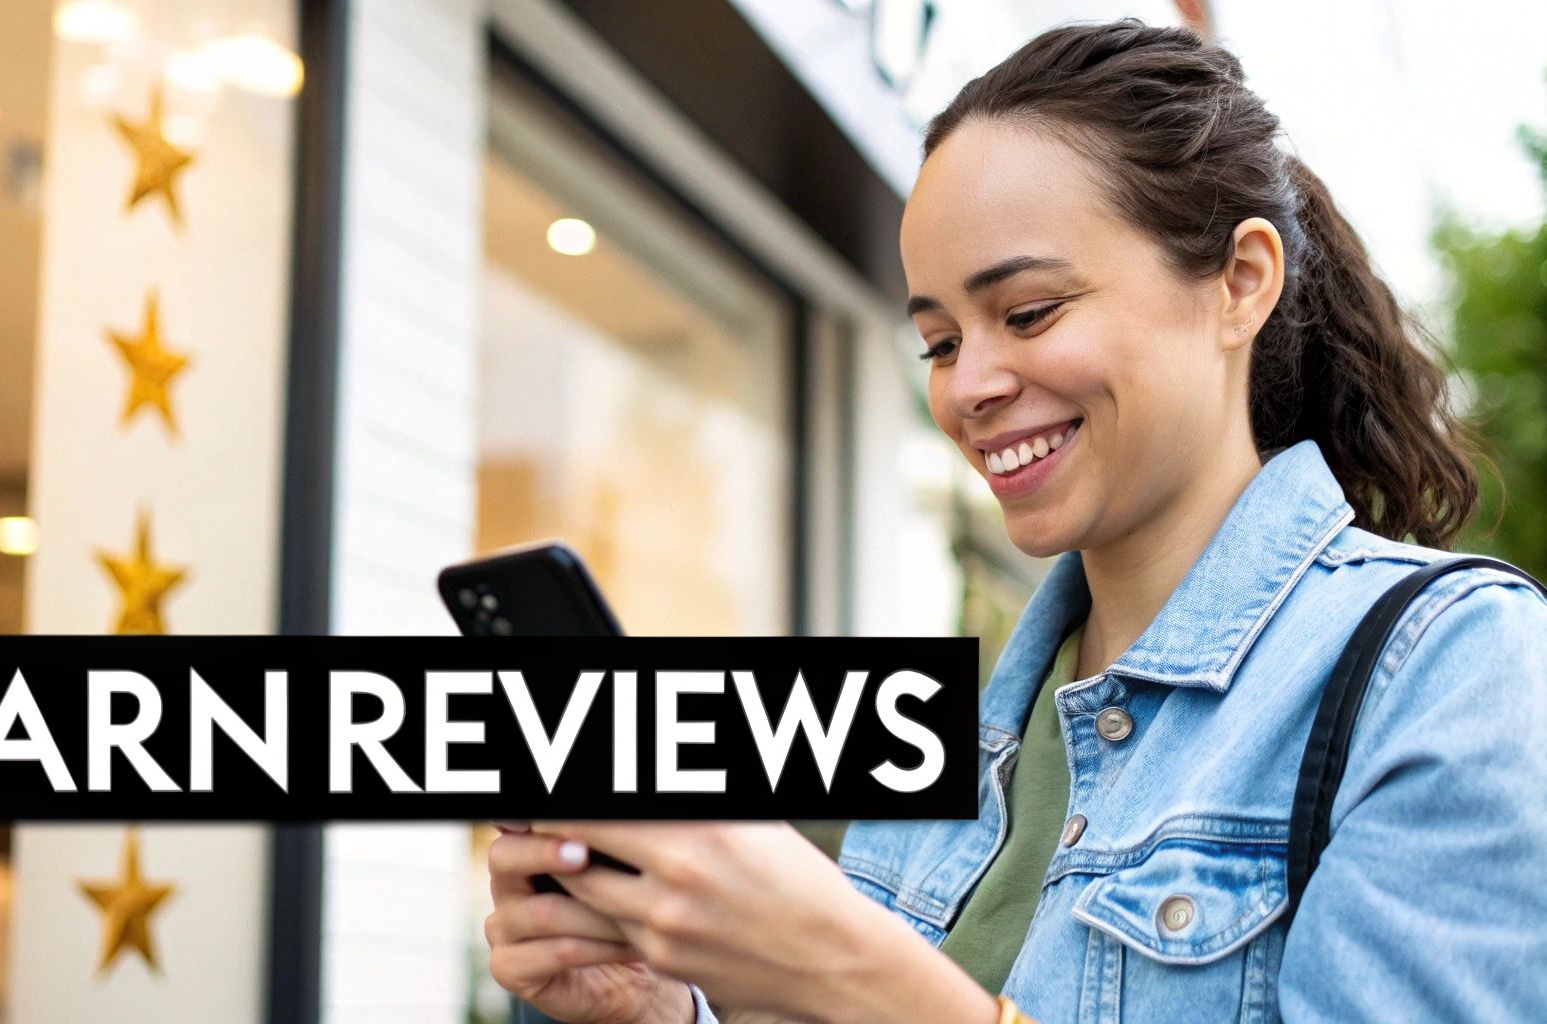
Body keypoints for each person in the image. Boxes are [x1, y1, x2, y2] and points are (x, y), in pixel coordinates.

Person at [481, 17, 1547, 1023]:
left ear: (1238, 282)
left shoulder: (1449, 669)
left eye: (1027, 312)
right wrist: (661, 1006)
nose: (969, 386)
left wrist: (861, 975)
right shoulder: (966, 740)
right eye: (939, 341)